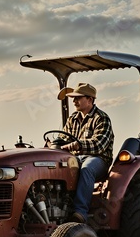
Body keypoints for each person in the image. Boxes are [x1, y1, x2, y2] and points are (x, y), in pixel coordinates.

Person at [48, 82, 114, 223]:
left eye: (78, 98)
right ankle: (57, 208)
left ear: (90, 99)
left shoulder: (101, 118)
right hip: (76, 157)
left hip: (98, 159)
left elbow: (99, 145)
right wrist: (55, 145)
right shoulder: (72, 119)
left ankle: (80, 212)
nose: (74, 101)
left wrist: (76, 145)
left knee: (87, 169)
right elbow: (64, 138)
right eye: (73, 98)